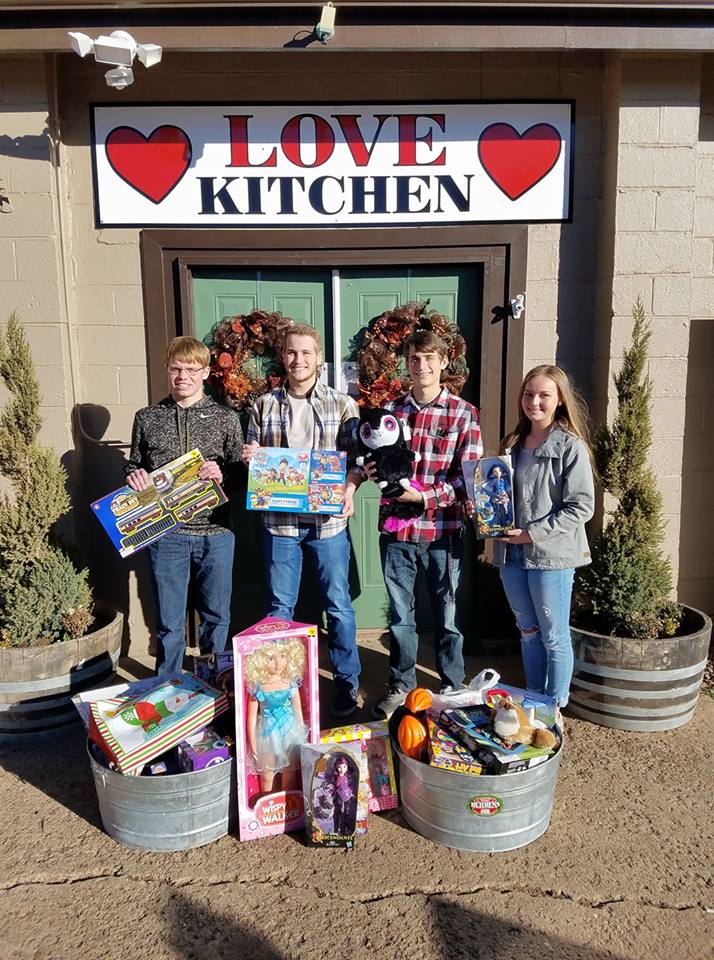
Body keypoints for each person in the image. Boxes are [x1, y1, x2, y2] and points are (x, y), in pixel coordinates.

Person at [242, 325, 363, 719]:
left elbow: (357, 462)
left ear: (319, 358)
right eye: (292, 353)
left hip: (328, 523)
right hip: (280, 524)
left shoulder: (342, 405)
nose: (299, 360)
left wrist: (349, 489)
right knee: (280, 608)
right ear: (284, 357)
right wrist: (252, 459)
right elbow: (252, 461)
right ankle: (278, 692)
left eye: (306, 353)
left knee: (339, 606)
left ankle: (347, 686)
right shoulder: (262, 406)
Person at [371, 329, 483, 719]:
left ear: (443, 362)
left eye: (429, 358)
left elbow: (469, 477)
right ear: (407, 362)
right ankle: (402, 685)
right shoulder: (390, 412)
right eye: (415, 358)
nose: (421, 365)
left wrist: (426, 498)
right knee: (401, 614)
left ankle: (452, 686)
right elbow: (377, 464)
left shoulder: (463, 414)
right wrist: (373, 471)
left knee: (447, 614)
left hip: (442, 531)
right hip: (397, 530)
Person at [125, 336, 243, 679]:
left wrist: (223, 474)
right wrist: (134, 476)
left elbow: (242, 473)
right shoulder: (147, 418)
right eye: (176, 369)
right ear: (167, 370)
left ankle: (217, 685)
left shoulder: (226, 418)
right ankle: (168, 687)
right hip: (167, 534)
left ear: (205, 372)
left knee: (217, 618)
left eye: (191, 370)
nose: (183, 377)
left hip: (217, 532)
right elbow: (133, 464)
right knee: (169, 621)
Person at [491, 364, 595, 711]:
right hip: (511, 555)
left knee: (553, 635)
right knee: (528, 631)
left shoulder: (570, 447)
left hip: (551, 556)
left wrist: (532, 534)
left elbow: (582, 506)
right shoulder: (512, 444)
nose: (534, 401)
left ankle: (554, 705)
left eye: (543, 395)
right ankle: (533, 697)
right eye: (528, 394)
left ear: (560, 400)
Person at [244, 638, 308, 795]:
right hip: (267, 732)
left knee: (289, 774)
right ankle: (268, 803)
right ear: (259, 660)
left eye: (283, 656)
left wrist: (301, 734)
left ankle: (289, 804)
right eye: (271, 658)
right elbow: (251, 716)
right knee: (267, 774)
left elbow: (297, 710)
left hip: (290, 730)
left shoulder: (290, 682)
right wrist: (252, 743)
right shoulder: (257, 685)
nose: (278, 663)